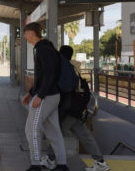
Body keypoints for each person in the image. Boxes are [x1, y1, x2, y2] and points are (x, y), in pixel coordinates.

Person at [42, 46, 110, 171]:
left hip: (71, 108)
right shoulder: (73, 67)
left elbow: (66, 87)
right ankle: (100, 162)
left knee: (58, 132)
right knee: (84, 135)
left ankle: (50, 159)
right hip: (77, 107)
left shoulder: (65, 67)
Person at [22, 22, 69, 171]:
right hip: (52, 95)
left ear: (31, 33)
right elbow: (43, 76)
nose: (24, 37)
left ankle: (35, 165)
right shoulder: (45, 48)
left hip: (47, 96)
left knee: (31, 130)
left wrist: (40, 96)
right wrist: (30, 94)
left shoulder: (43, 49)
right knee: (53, 131)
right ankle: (62, 165)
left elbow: (50, 74)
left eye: (25, 33)